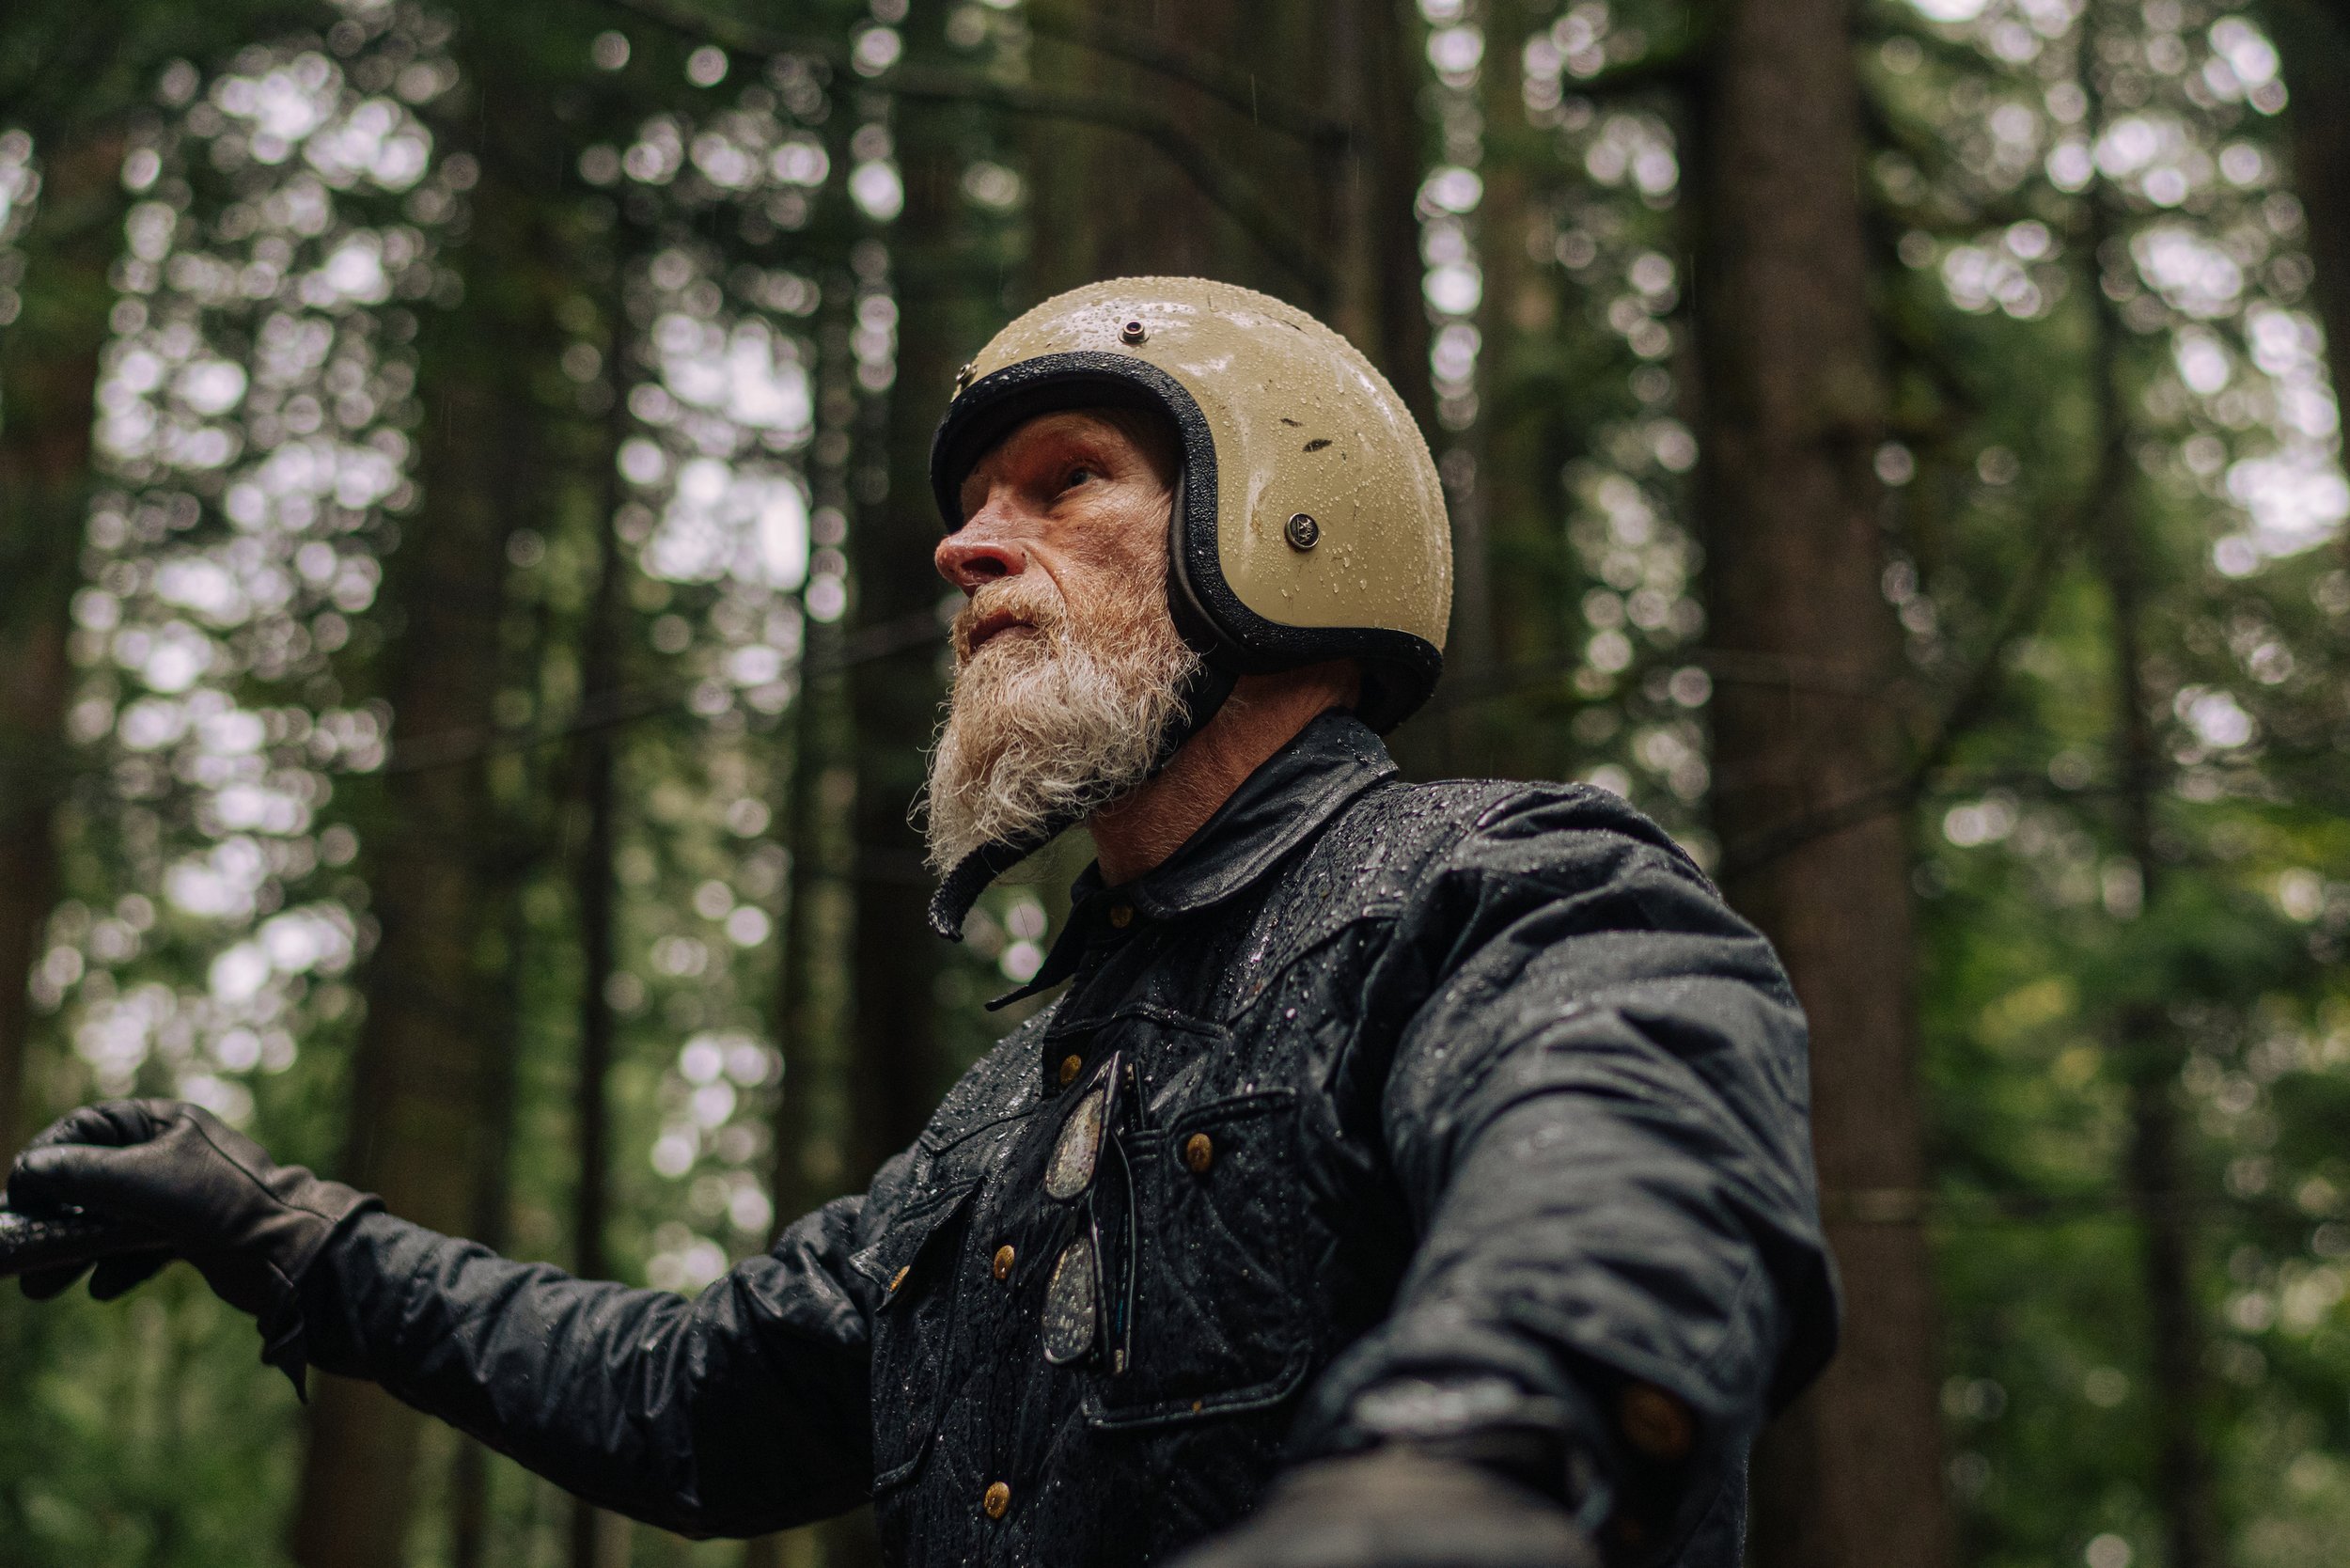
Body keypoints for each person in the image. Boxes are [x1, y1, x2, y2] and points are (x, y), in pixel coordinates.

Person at [7, 278, 1835, 1567]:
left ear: (1284, 531)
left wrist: (1471, 1464)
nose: (966, 549)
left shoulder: (1502, 889)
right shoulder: (1008, 1117)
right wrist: (288, 1233)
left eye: (1061, 484)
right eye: (965, 509)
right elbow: (688, 1405)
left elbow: (1631, 1154)